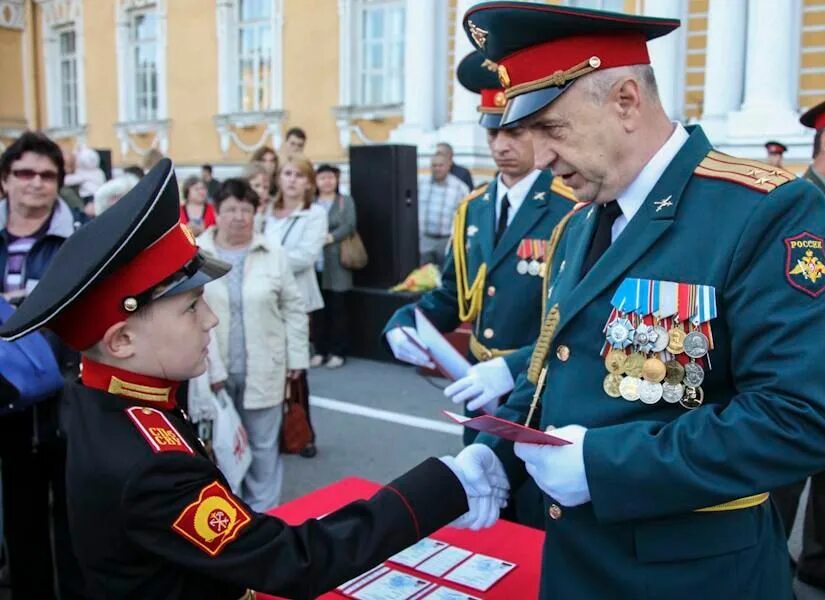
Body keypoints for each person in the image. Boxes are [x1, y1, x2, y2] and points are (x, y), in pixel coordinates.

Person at [458, 3, 825, 598]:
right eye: (528, 134)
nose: (541, 159)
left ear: (625, 100)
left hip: (697, 577)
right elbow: (548, 370)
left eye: (552, 130)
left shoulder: (761, 211)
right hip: (575, 566)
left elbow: (801, 419)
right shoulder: (575, 226)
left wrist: (605, 465)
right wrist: (495, 451)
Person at [0, 158, 508, 599]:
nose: (211, 320)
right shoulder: (149, 465)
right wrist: (444, 485)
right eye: (192, 307)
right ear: (121, 341)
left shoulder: (101, 396)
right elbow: (299, 561)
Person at [384, 50, 577, 527]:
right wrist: (404, 322)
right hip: (476, 390)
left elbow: (576, 316)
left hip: (539, 391)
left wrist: (512, 369)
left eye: (513, 131)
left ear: (535, 131)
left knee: (538, 515)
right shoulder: (472, 208)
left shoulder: (569, 205)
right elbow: (453, 295)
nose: (501, 145)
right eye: (493, 132)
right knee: (488, 512)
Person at [771, 85, 825, 600]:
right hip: (803, 372)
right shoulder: (791, 203)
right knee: (783, 481)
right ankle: (768, 561)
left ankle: (823, 563)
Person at [0, 132, 86, 598]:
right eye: (24, 173)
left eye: (47, 175)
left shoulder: (81, 240)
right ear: (5, 180)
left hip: (68, 400)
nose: (36, 183)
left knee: (73, 522)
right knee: (19, 518)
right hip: (6, 406)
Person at [198, 178, 308, 511]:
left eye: (246, 209)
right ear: (216, 212)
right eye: (230, 209)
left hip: (265, 365)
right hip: (211, 368)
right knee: (221, 447)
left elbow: (293, 307)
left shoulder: (273, 253)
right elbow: (188, 313)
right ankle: (231, 517)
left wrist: (297, 360)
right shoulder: (199, 254)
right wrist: (207, 367)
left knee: (262, 448)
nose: (239, 216)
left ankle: (265, 518)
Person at [264, 154, 327, 458]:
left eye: (299, 175)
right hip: (263, 298)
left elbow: (306, 256)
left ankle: (302, 432)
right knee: (267, 365)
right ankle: (271, 430)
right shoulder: (265, 212)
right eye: (287, 173)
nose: (291, 180)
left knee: (296, 367)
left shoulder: (314, 214)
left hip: (297, 299)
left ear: (308, 183)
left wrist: (265, 261)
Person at [311, 164, 356, 369]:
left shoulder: (344, 201)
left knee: (339, 308)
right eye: (322, 178)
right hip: (315, 263)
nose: (327, 182)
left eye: (330, 177)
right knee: (318, 309)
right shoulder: (310, 202)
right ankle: (320, 350)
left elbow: (349, 225)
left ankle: (338, 351)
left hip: (338, 263)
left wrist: (331, 237)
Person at [419, 153, 470, 266]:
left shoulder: (460, 188)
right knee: (422, 278)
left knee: (445, 276)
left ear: (448, 166)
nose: (437, 168)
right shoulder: (420, 184)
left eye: (440, 165)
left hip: (447, 241)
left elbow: (466, 215)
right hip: (425, 240)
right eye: (434, 165)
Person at [242, 161, 272, 231]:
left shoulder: (272, 207)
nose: (261, 191)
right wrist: (259, 214)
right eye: (256, 186)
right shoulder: (241, 207)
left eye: (265, 187)